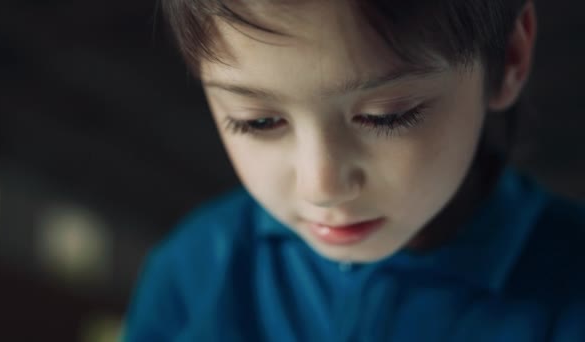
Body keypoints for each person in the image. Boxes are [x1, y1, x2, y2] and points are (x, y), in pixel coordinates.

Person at [124, 0, 585, 340]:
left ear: (509, 58)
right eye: (257, 121)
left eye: (386, 116)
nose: (322, 186)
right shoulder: (196, 269)